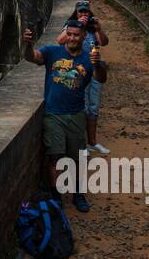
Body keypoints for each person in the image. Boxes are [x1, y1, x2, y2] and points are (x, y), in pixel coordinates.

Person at [23, 19, 107, 213]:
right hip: (53, 114)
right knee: (56, 157)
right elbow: (32, 57)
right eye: (69, 34)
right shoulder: (52, 51)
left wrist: (99, 65)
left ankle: (78, 194)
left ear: (83, 37)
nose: (71, 38)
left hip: (77, 114)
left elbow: (101, 78)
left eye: (76, 35)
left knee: (77, 158)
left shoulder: (89, 58)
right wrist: (27, 44)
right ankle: (57, 196)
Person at [58, 2, 111, 156]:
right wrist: (76, 25)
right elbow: (60, 41)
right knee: (83, 106)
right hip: (79, 69)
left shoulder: (93, 27)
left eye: (86, 13)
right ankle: (82, 145)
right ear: (76, 13)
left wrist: (99, 29)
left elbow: (104, 42)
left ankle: (92, 142)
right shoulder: (71, 26)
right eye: (81, 13)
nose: (84, 15)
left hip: (94, 67)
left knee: (94, 106)